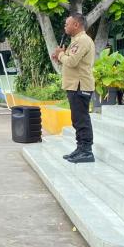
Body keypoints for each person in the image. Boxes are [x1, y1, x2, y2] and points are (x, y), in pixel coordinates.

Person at [51, 13, 96, 164]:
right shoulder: (75, 41)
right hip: (74, 86)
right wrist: (59, 57)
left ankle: (87, 151)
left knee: (81, 119)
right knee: (77, 119)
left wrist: (61, 54)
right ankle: (80, 148)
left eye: (67, 24)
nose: (65, 26)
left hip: (80, 85)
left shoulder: (83, 40)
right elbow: (68, 62)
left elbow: (72, 61)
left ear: (76, 25)